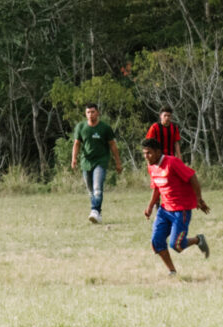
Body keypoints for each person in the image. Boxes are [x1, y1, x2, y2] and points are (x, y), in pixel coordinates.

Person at [139, 135, 210, 274]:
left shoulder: (172, 162)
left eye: (149, 153)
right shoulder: (151, 167)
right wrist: (150, 206)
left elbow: (192, 177)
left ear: (158, 152)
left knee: (176, 245)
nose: (146, 156)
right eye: (144, 153)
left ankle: (198, 240)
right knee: (156, 242)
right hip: (164, 210)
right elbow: (157, 187)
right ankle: (172, 272)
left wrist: (199, 199)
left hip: (180, 210)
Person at [69, 102, 122, 224]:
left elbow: (113, 146)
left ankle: (94, 211)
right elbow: (76, 144)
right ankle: (98, 212)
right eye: (88, 112)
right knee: (90, 190)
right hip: (86, 162)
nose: (91, 114)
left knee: (97, 188)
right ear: (85, 114)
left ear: (97, 113)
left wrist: (118, 162)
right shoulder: (81, 127)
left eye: (93, 112)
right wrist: (74, 159)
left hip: (101, 161)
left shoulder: (105, 128)